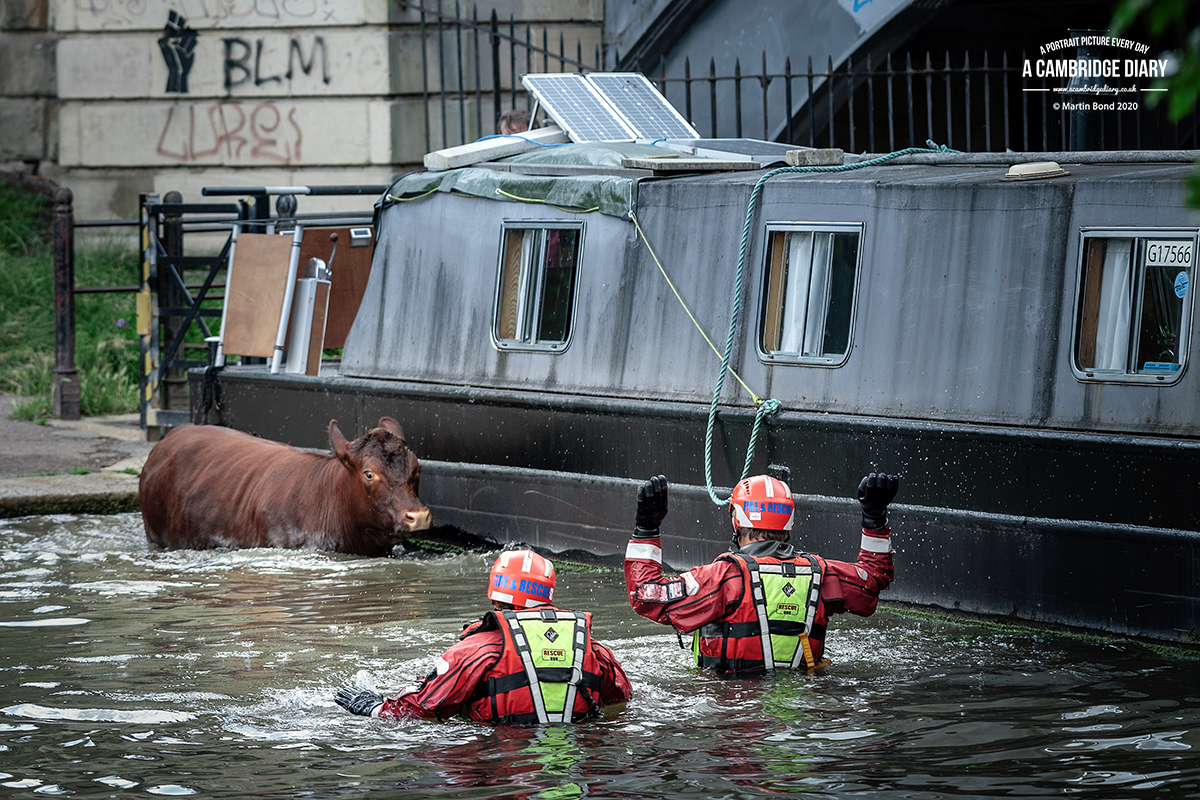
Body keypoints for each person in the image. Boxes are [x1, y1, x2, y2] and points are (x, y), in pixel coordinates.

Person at [624, 468, 899, 677]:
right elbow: (873, 580)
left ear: (737, 521)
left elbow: (646, 596)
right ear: (788, 523)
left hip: (733, 713)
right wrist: (875, 520)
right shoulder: (823, 575)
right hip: (801, 710)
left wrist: (646, 529)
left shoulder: (723, 578)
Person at [336, 548, 632, 723]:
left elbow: (423, 709)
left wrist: (375, 707)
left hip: (501, 759)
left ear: (495, 594)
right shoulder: (591, 649)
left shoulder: (476, 650)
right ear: (548, 594)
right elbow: (621, 698)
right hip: (576, 758)